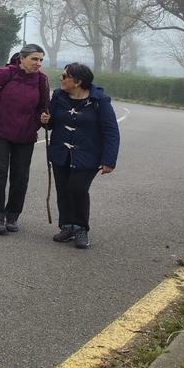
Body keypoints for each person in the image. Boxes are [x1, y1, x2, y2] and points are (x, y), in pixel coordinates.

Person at [0, 44, 50, 235]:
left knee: (20, 177)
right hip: (0, 131)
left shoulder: (42, 80)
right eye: (34, 59)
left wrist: (43, 118)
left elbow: (44, 106)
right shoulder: (6, 73)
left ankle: (13, 216)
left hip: (25, 134)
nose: (38, 63)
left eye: (41, 59)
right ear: (22, 58)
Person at [43, 63, 120, 249]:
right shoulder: (59, 96)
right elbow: (51, 124)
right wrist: (46, 121)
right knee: (63, 190)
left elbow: (111, 131)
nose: (61, 79)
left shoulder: (99, 101)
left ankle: (81, 228)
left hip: (88, 155)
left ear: (78, 82)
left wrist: (109, 160)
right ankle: (67, 226)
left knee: (77, 188)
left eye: (65, 76)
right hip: (61, 152)